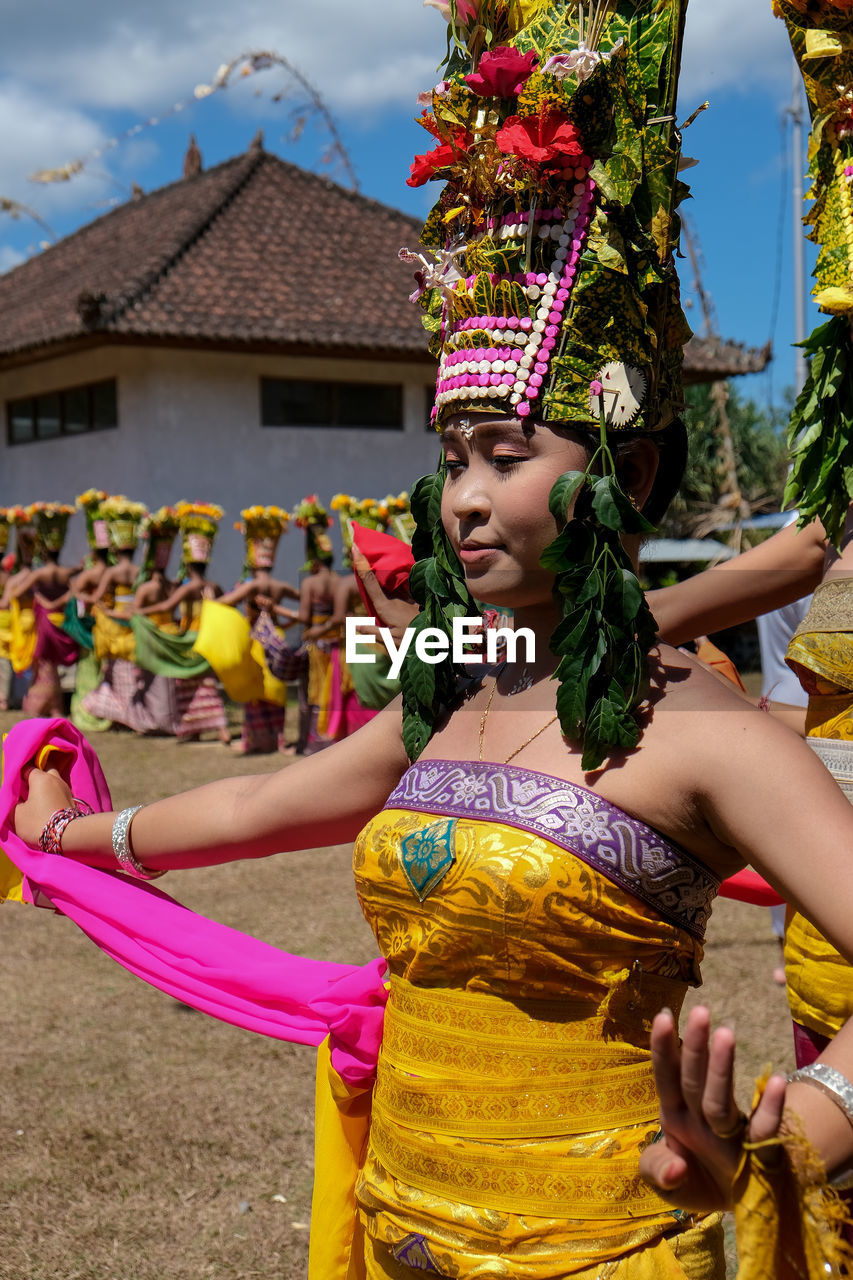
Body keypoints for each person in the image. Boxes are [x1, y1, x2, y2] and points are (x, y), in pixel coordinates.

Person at [8, 3, 853, 1277]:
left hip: (607, 1247)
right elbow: (265, 806)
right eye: (451, 455)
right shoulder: (461, 688)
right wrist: (61, 828)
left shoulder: (704, 730)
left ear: (620, 471)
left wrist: (792, 1125)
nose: (460, 495)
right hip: (395, 1230)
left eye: (506, 455)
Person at [220, 505, 297, 754]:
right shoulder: (279, 586)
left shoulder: (249, 586)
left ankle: (254, 740)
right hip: (278, 638)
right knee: (277, 691)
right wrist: (286, 621)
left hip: (257, 643)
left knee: (257, 692)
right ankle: (280, 740)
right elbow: (307, 605)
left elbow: (222, 604)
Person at [10, 502, 80, 718]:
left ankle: (43, 704)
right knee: (52, 666)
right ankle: (55, 705)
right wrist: (57, 603)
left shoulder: (39, 575)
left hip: (44, 623)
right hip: (59, 622)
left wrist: (42, 600)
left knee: (45, 666)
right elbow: (74, 593)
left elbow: (16, 592)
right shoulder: (65, 572)